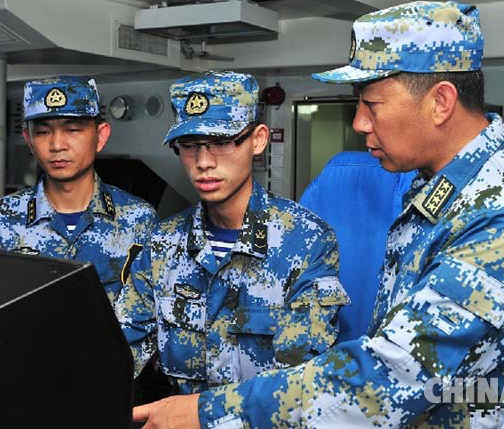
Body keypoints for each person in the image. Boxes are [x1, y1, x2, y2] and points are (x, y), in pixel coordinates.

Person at [132, 1, 504, 428]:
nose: (360, 123)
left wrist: (206, 414)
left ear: (440, 102)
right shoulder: (443, 189)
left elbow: (390, 380)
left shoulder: (501, 212)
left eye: (373, 105)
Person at [114, 71, 349, 396]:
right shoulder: (163, 245)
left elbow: (301, 386)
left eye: (222, 143)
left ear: (258, 140)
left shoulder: (306, 242)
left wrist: (201, 416)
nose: (204, 162)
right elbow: (118, 350)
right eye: (190, 146)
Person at [0, 76, 158, 301]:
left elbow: (148, 314)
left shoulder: (139, 219)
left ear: (101, 136)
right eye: (42, 132)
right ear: (29, 140)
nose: (57, 145)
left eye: (72, 129)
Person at [299, 151, 415, 343]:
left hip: (327, 329)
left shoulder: (332, 173)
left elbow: (300, 244)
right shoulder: (412, 184)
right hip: (388, 339)